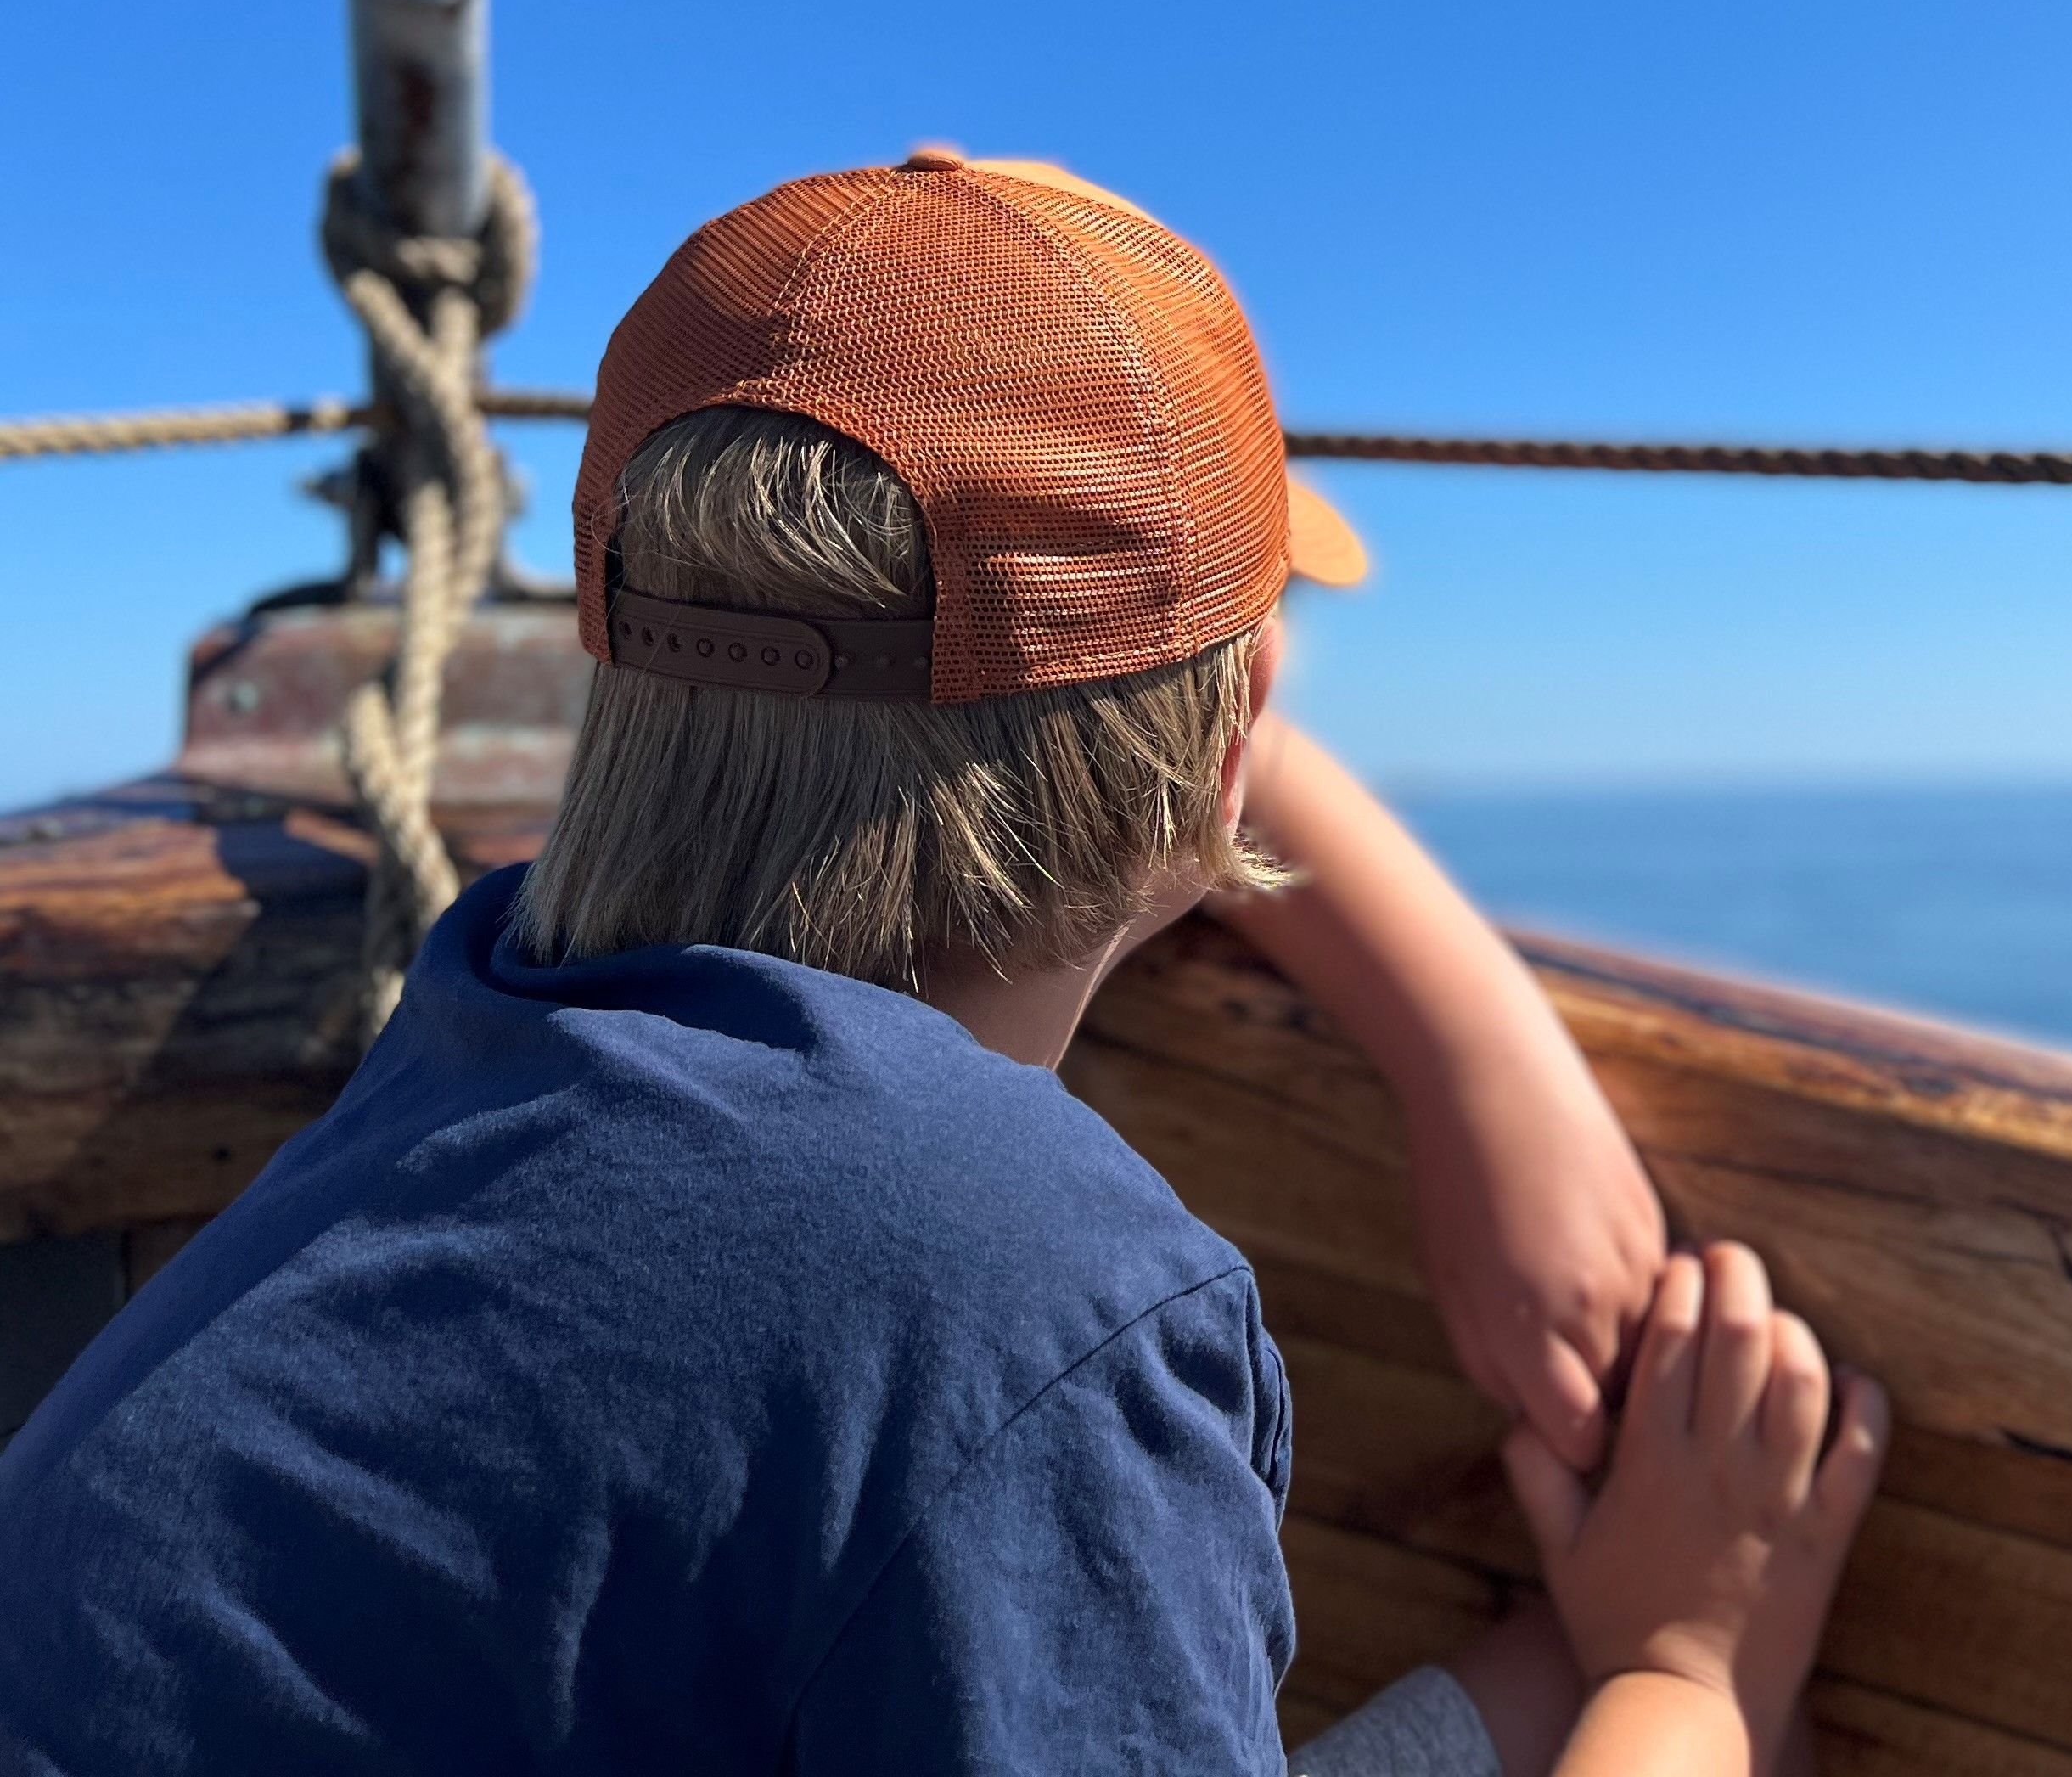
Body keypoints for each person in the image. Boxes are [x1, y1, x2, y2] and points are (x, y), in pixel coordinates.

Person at [0, 149, 1885, 1776]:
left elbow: (931, 691)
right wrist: (1690, 1663)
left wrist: (1477, 1063)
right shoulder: (1033, 1298)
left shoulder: (490, 1000)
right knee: (1639, 1705)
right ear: (1231, 744)